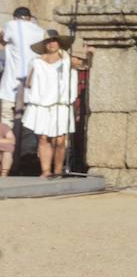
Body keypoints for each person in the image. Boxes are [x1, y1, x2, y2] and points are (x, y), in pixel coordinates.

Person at [23, 30, 92, 179]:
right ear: (44, 44)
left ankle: (58, 169)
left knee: (60, 140)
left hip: (60, 104)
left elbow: (86, 64)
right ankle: (46, 170)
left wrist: (89, 54)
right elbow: (29, 82)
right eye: (48, 41)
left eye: (54, 41)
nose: (52, 44)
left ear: (59, 43)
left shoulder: (68, 59)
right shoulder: (37, 61)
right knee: (43, 138)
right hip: (41, 104)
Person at [2, 7, 45, 153]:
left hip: (10, 87)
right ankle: (25, 158)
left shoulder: (12, 25)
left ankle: (6, 160)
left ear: (15, 17)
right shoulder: (39, 31)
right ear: (29, 17)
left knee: (6, 124)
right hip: (32, 89)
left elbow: (3, 38)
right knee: (28, 126)